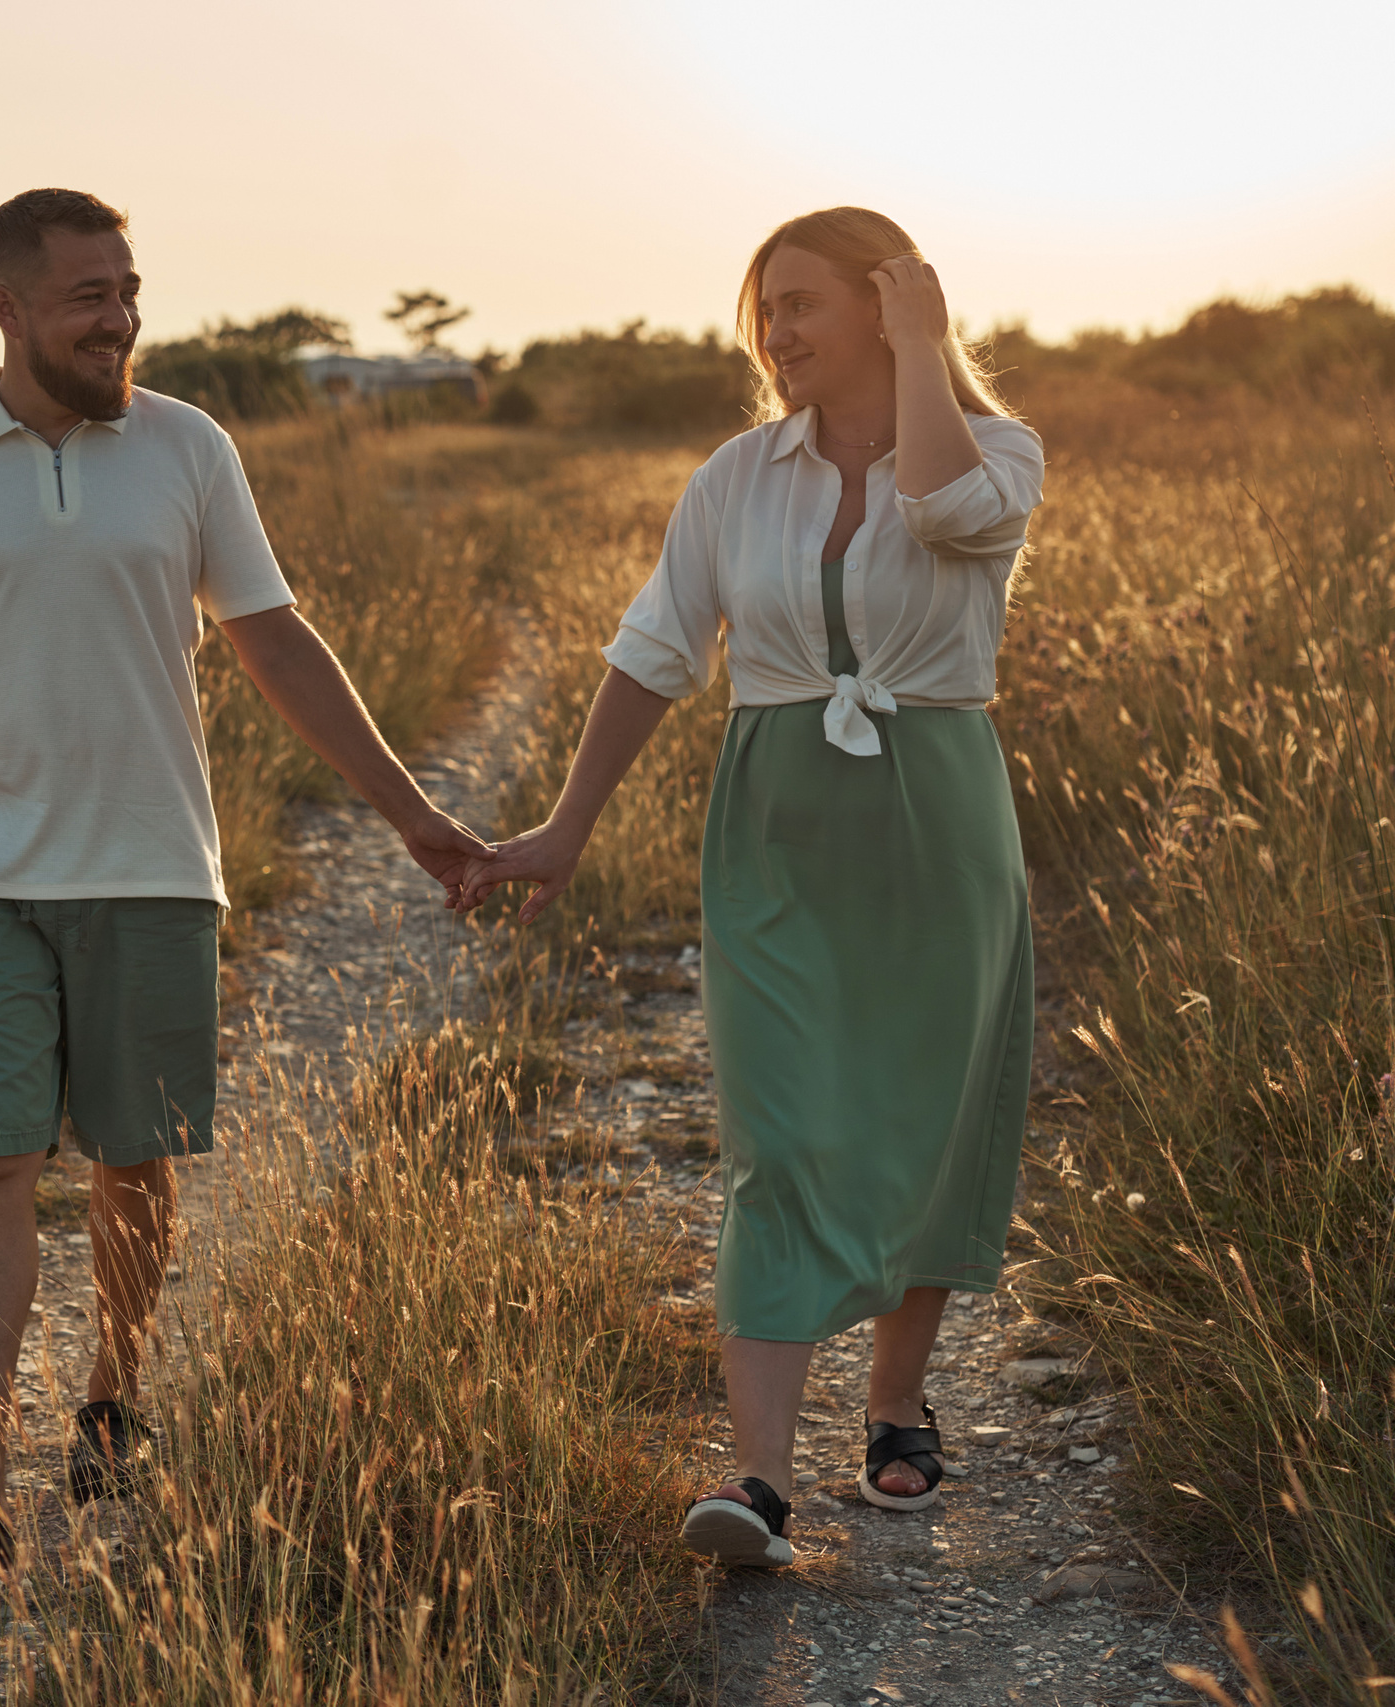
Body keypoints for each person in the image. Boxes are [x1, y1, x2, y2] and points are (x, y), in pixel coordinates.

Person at [0, 187, 492, 1564]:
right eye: (89, 295)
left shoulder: (188, 449)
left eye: (128, 289)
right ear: (8, 307)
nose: (120, 317)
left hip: (150, 869)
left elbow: (277, 642)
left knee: (138, 1165)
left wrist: (412, 811)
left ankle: (110, 1396)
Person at [463, 206, 1043, 1567]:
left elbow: (952, 509)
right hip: (777, 809)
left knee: (931, 1111)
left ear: (890, 305)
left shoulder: (996, 450)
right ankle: (762, 1478)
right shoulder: (735, 475)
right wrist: (564, 825)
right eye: (764, 308)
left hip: (938, 809)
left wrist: (924, 349)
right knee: (780, 1130)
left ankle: (895, 1398)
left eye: (805, 304)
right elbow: (658, 647)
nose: (776, 332)